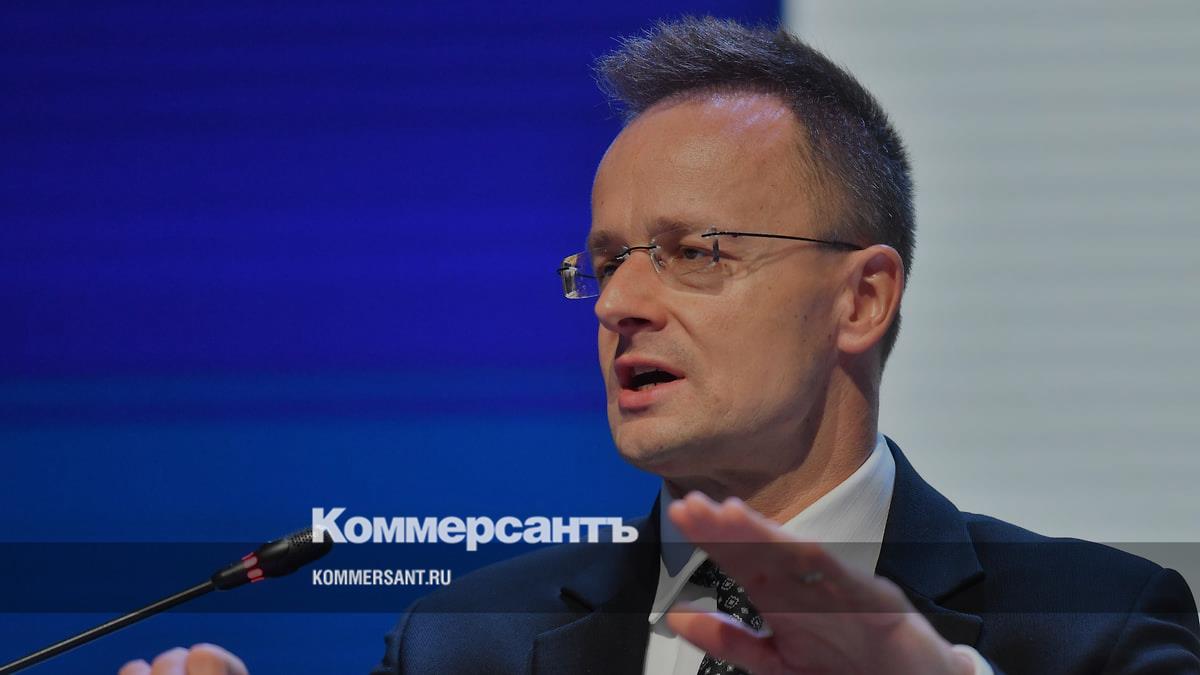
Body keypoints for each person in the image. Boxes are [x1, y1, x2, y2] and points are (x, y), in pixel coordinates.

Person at [120, 17, 1200, 675]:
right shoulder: (464, 642)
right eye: (606, 261)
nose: (620, 302)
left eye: (693, 251)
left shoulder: (1094, 627)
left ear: (862, 300)